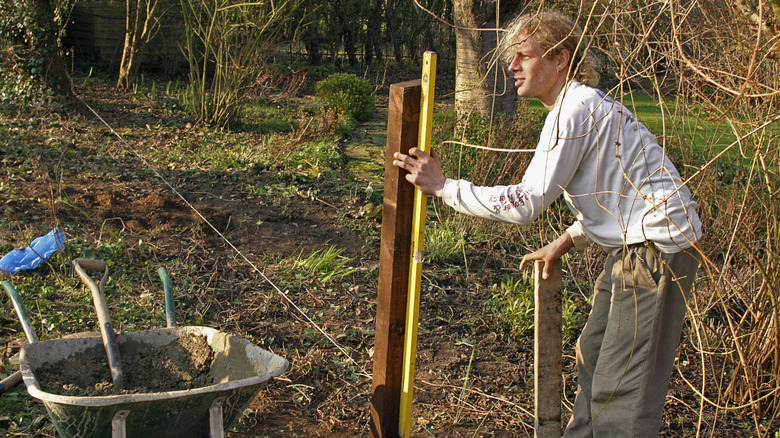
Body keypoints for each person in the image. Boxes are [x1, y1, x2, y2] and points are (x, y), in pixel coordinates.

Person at [392, 10, 703, 438]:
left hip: (656, 253)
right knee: (593, 357)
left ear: (560, 59)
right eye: (511, 57)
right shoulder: (580, 106)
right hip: (636, 245)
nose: (512, 66)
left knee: (621, 395)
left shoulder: (574, 110)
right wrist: (568, 239)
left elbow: (525, 203)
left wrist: (444, 187)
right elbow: (618, 192)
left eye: (524, 55)